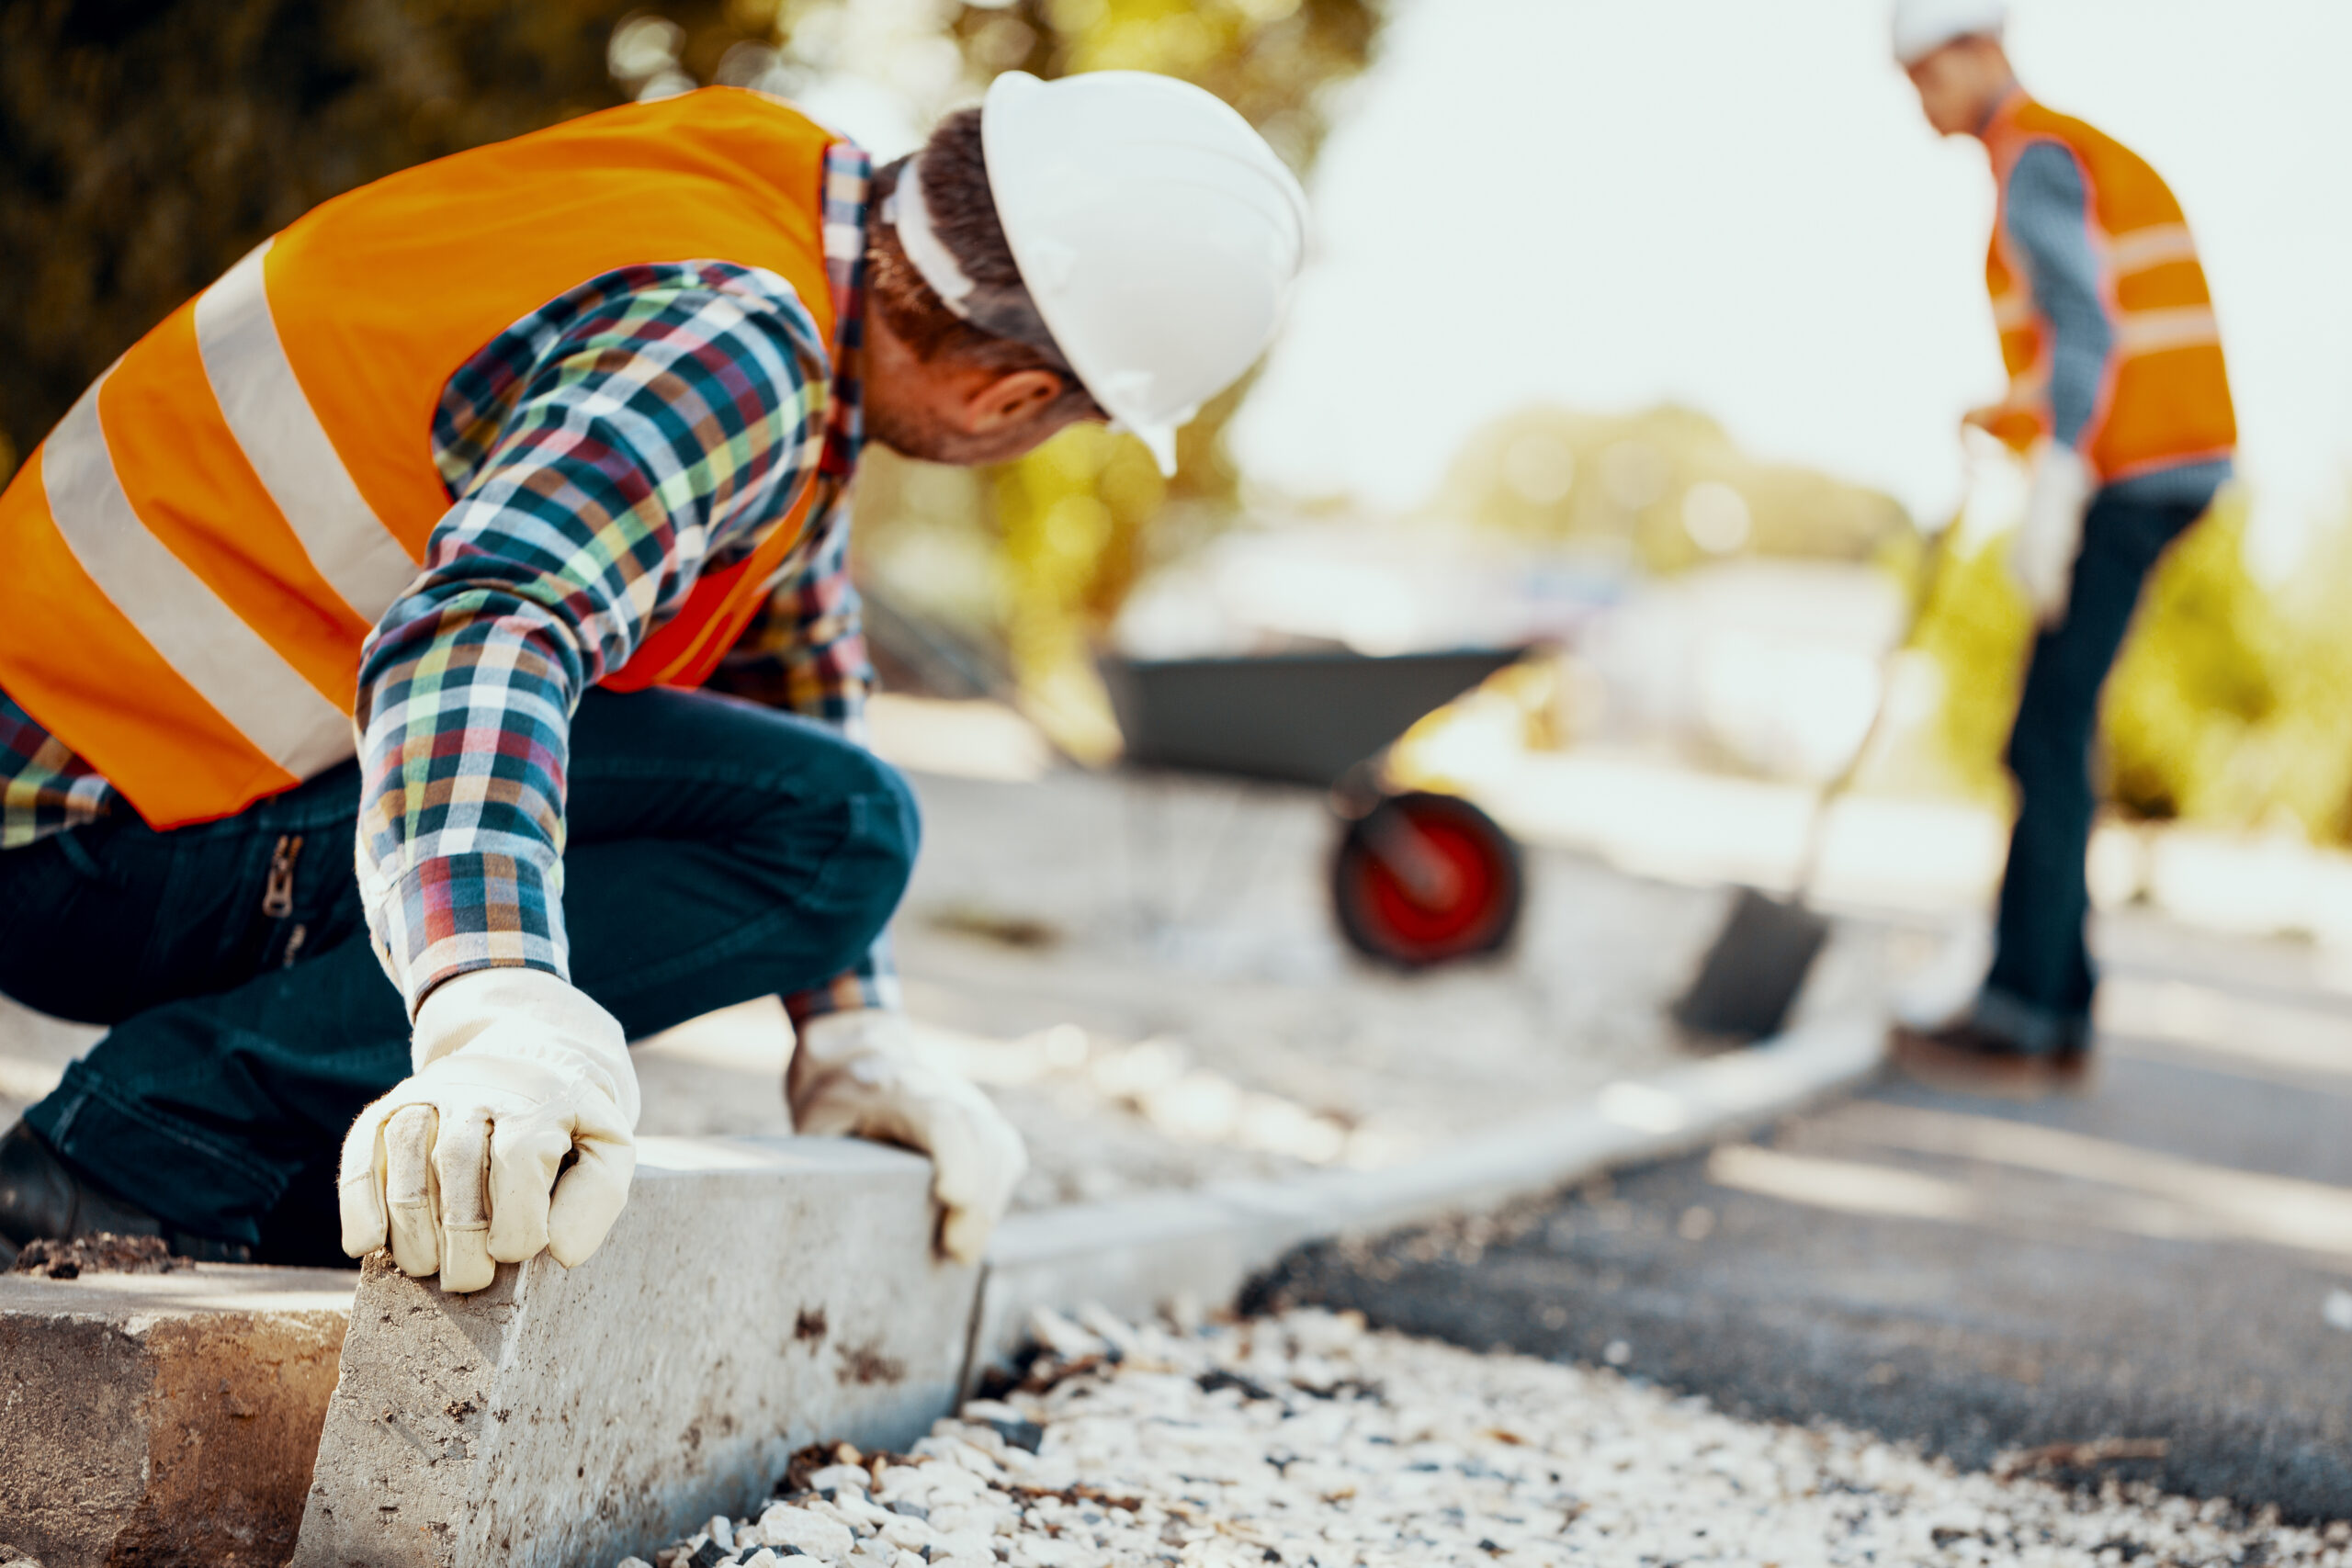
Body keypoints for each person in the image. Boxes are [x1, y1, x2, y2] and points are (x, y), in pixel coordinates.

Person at [0, 71, 1308, 1287]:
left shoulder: (762, 202)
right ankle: (139, 1149)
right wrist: (492, 995)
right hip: (87, 844)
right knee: (842, 831)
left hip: (93, 781)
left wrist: (855, 1032)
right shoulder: (740, 349)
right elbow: (485, 627)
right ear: (1012, 396)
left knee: (831, 809)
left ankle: (269, 1160)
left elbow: (792, 677)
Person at [1885, 0, 2235, 1084]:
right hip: (2158, 464)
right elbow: (2074, 343)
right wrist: (2015, 417)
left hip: (2131, 475)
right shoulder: (2061, 154)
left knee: (2040, 735)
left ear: (1980, 50)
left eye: (1925, 75)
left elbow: (2089, 327)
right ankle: (2059, 1004)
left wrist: (2062, 473)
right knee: (2056, 724)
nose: (1920, 100)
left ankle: (2023, 1007)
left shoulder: (2034, 159)